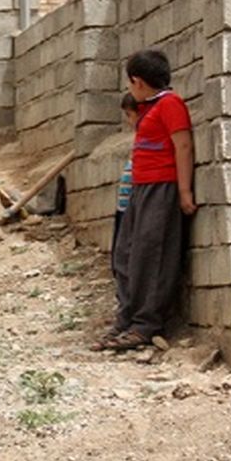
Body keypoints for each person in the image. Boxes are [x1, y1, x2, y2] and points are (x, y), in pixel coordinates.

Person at [96, 49, 196, 352]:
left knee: (151, 255)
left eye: (129, 83)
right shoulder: (149, 108)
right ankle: (126, 318)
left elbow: (183, 146)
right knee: (127, 255)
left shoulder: (170, 104)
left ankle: (145, 324)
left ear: (137, 81)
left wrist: (184, 192)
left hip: (161, 187)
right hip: (141, 188)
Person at [91, 93, 139, 351]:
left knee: (124, 263)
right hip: (124, 209)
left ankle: (127, 319)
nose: (129, 122)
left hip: (132, 209)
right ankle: (124, 316)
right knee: (119, 262)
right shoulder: (140, 140)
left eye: (130, 116)